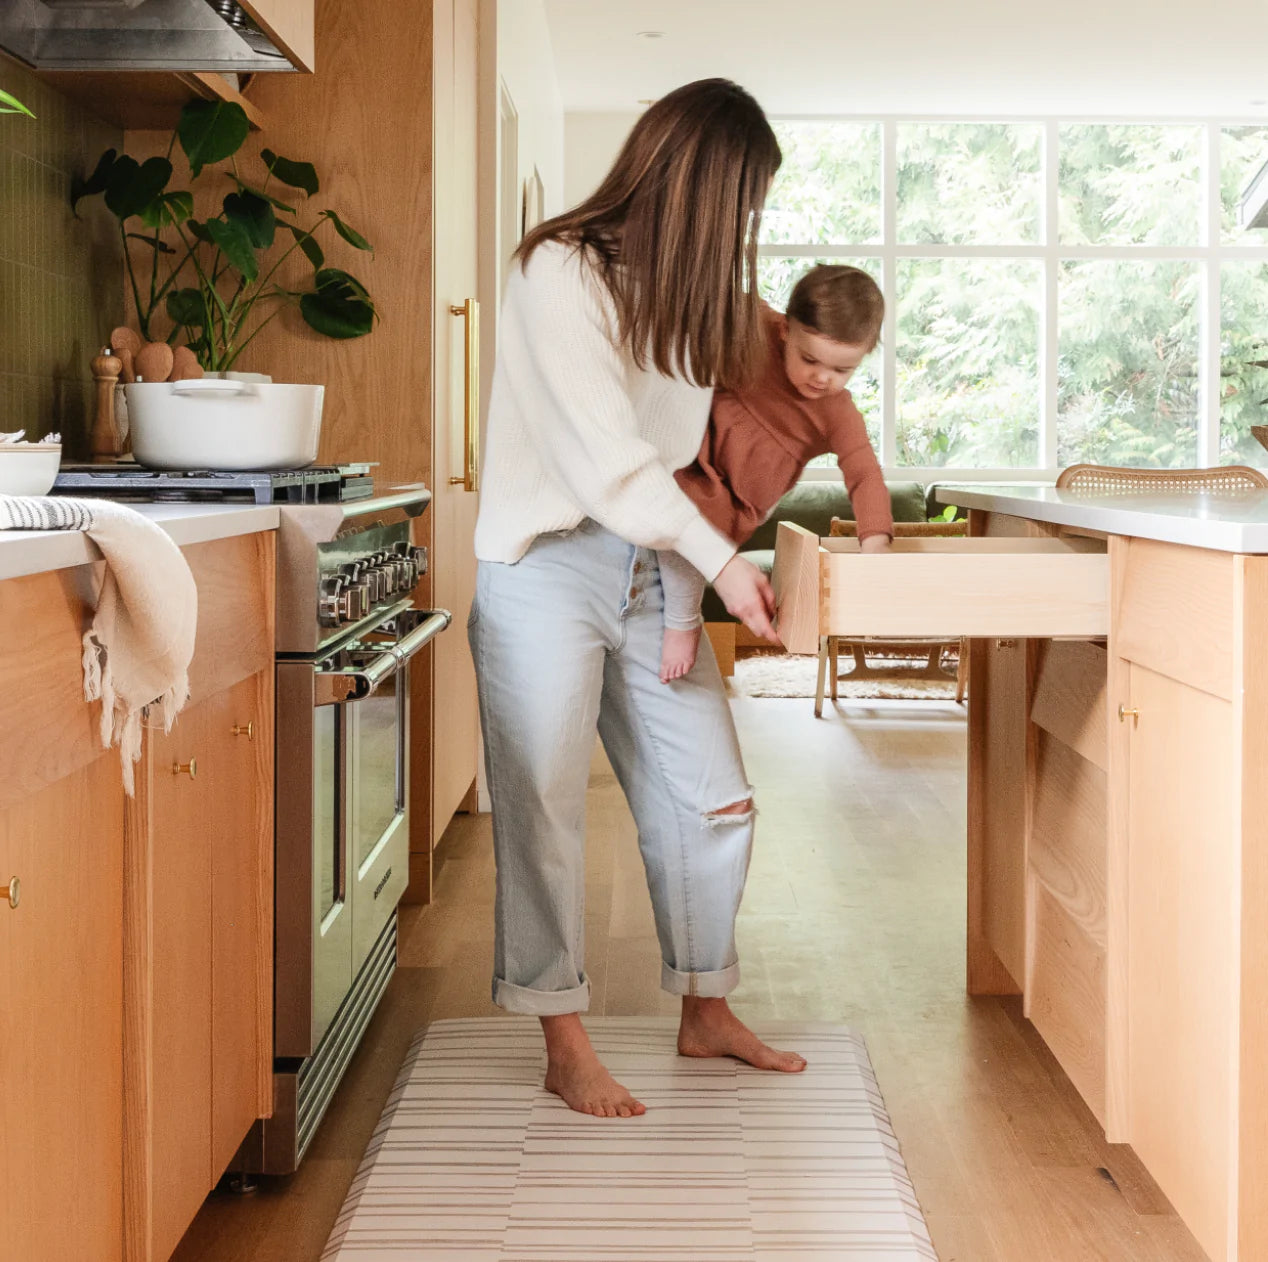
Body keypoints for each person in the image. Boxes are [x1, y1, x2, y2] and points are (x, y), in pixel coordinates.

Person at [469, 78, 807, 1120]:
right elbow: (608, 464)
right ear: (698, 185)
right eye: (742, 202)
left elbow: (676, 463)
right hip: (544, 567)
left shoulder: (689, 303)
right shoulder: (555, 271)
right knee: (544, 805)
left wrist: (690, 573)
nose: (746, 226)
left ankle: (704, 1008)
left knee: (712, 794)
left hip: (645, 563)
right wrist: (723, 564)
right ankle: (562, 1037)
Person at [658, 265, 895, 682]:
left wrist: (875, 546)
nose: (822, 378)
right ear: (786, 331)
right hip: (700, 448)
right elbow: (722, 291)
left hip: (738, 494)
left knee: (695, 538)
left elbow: (865, 475)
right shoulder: (759, 329)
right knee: (667, 505)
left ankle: (682, 619)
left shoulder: (837, 413)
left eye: (843, 371)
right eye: (809, 360)